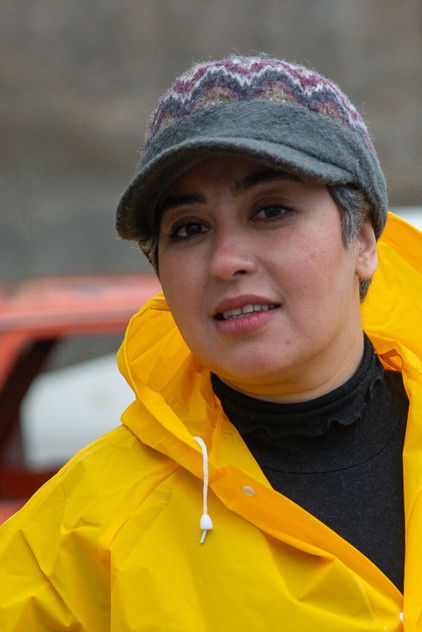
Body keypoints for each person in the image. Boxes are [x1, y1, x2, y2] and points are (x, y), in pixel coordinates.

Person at [0, 55, 421, 631]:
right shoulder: (81, 534)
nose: (227, 260)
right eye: (189, 229)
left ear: (364, 240)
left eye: (271, 210)